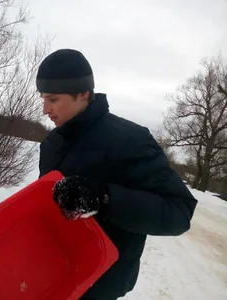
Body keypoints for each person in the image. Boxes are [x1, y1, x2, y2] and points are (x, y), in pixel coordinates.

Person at [36, 49, 198, 300]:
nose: (45, 109)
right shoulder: (51, 144)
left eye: (53, 99)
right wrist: (6, 226)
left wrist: (104, 199)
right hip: (53, 271)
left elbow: (179, 211)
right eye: (43, 99)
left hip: (100, 283)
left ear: (83, 94)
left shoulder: (130, 140)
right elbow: (49, 204)